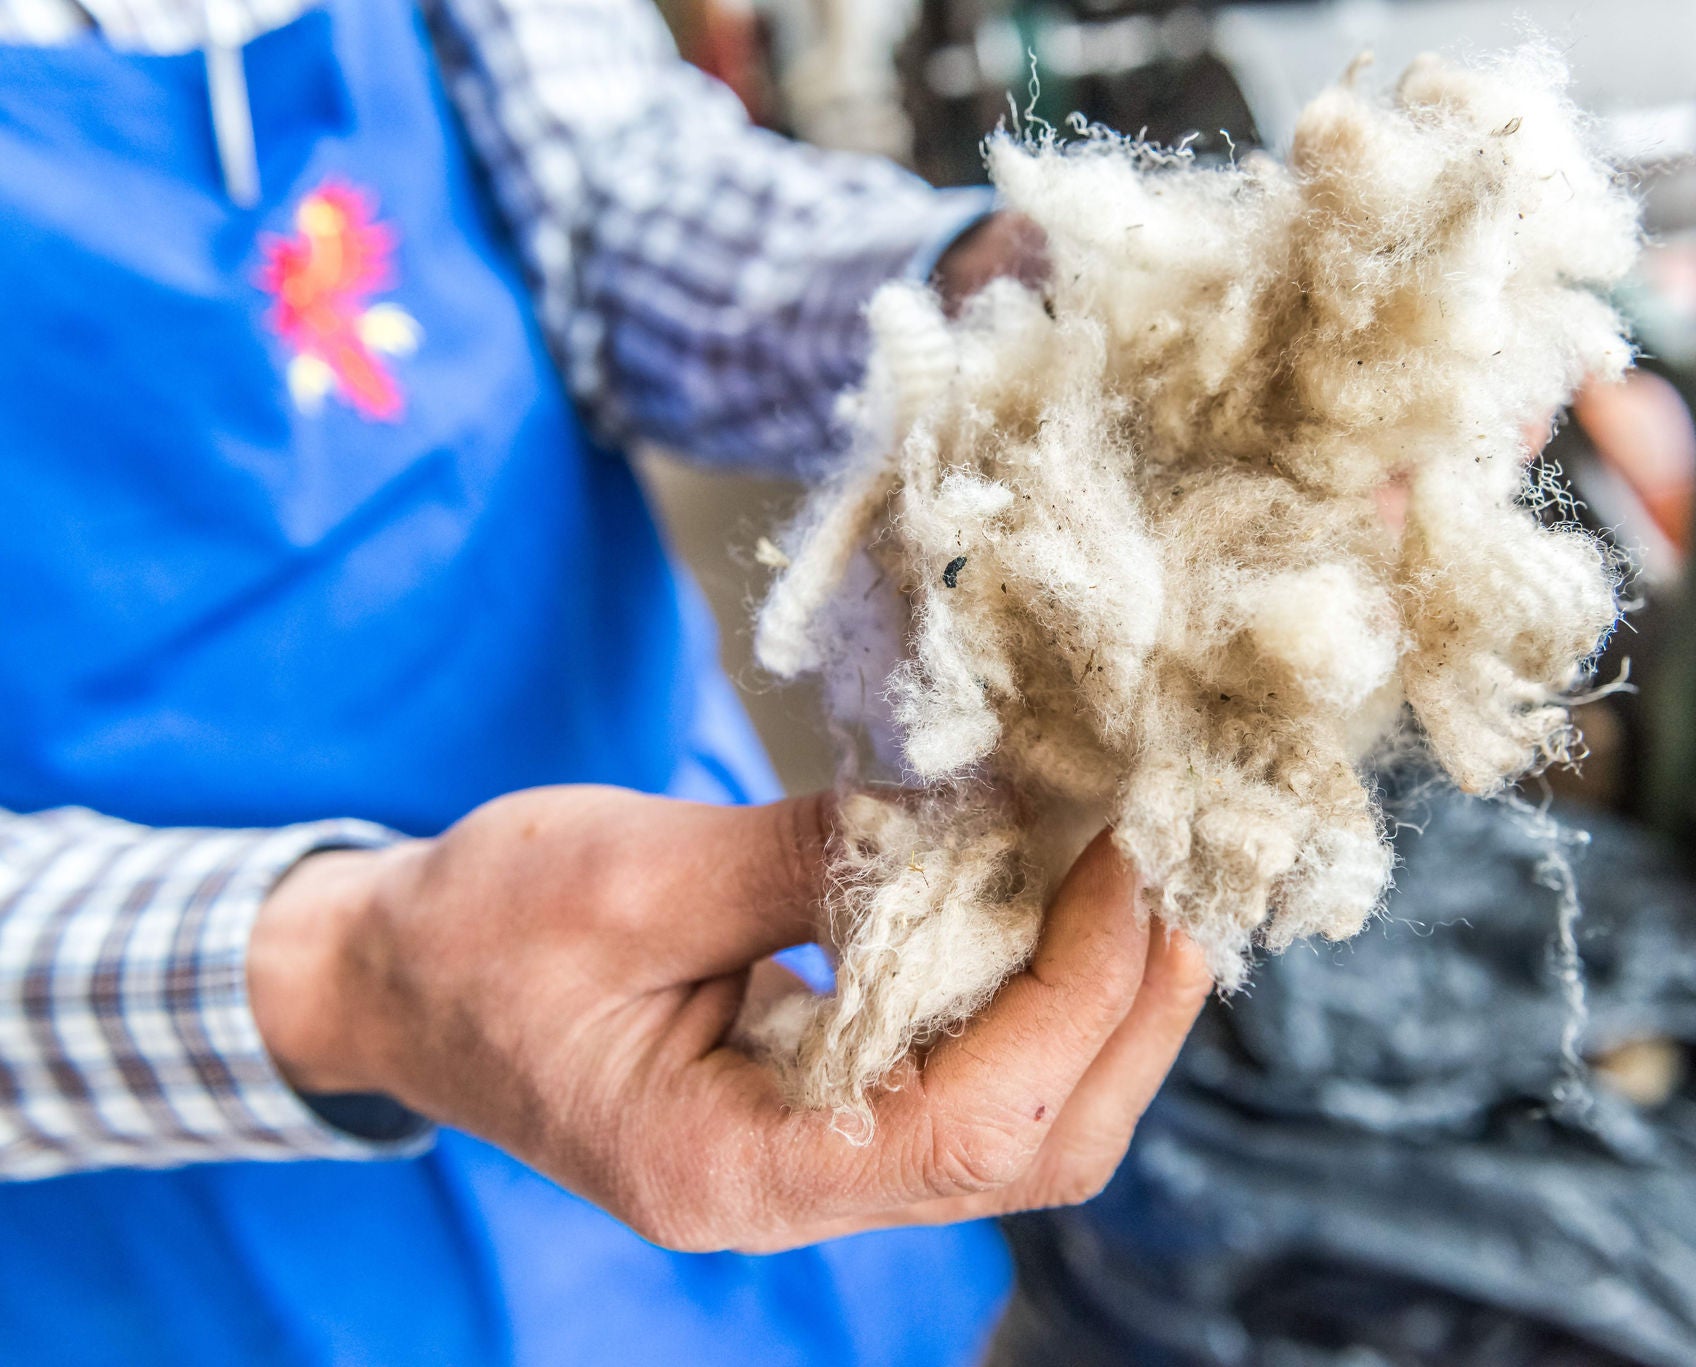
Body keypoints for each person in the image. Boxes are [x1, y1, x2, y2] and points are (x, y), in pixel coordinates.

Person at [0, 0, 1212, 1359]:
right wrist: (352, 970)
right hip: (165, 1195)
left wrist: (993, 308)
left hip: (674, 935)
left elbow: (612, 189)